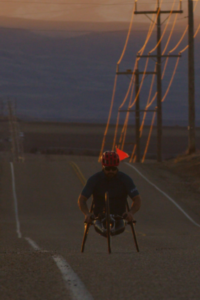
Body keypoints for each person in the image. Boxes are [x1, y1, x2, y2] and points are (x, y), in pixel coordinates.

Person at [78, 151, 141, 234]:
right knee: (101, 229)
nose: (111, 171)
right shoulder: (95, 179)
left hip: (120, 215)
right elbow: (82, 199)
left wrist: (131, 213)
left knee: (119, 227)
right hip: (99, 216)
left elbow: (137, 199)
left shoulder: (125, 179)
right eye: (107, 169)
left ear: (117, 167)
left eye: (114, 169)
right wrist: (87, 214)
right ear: (103, 167)